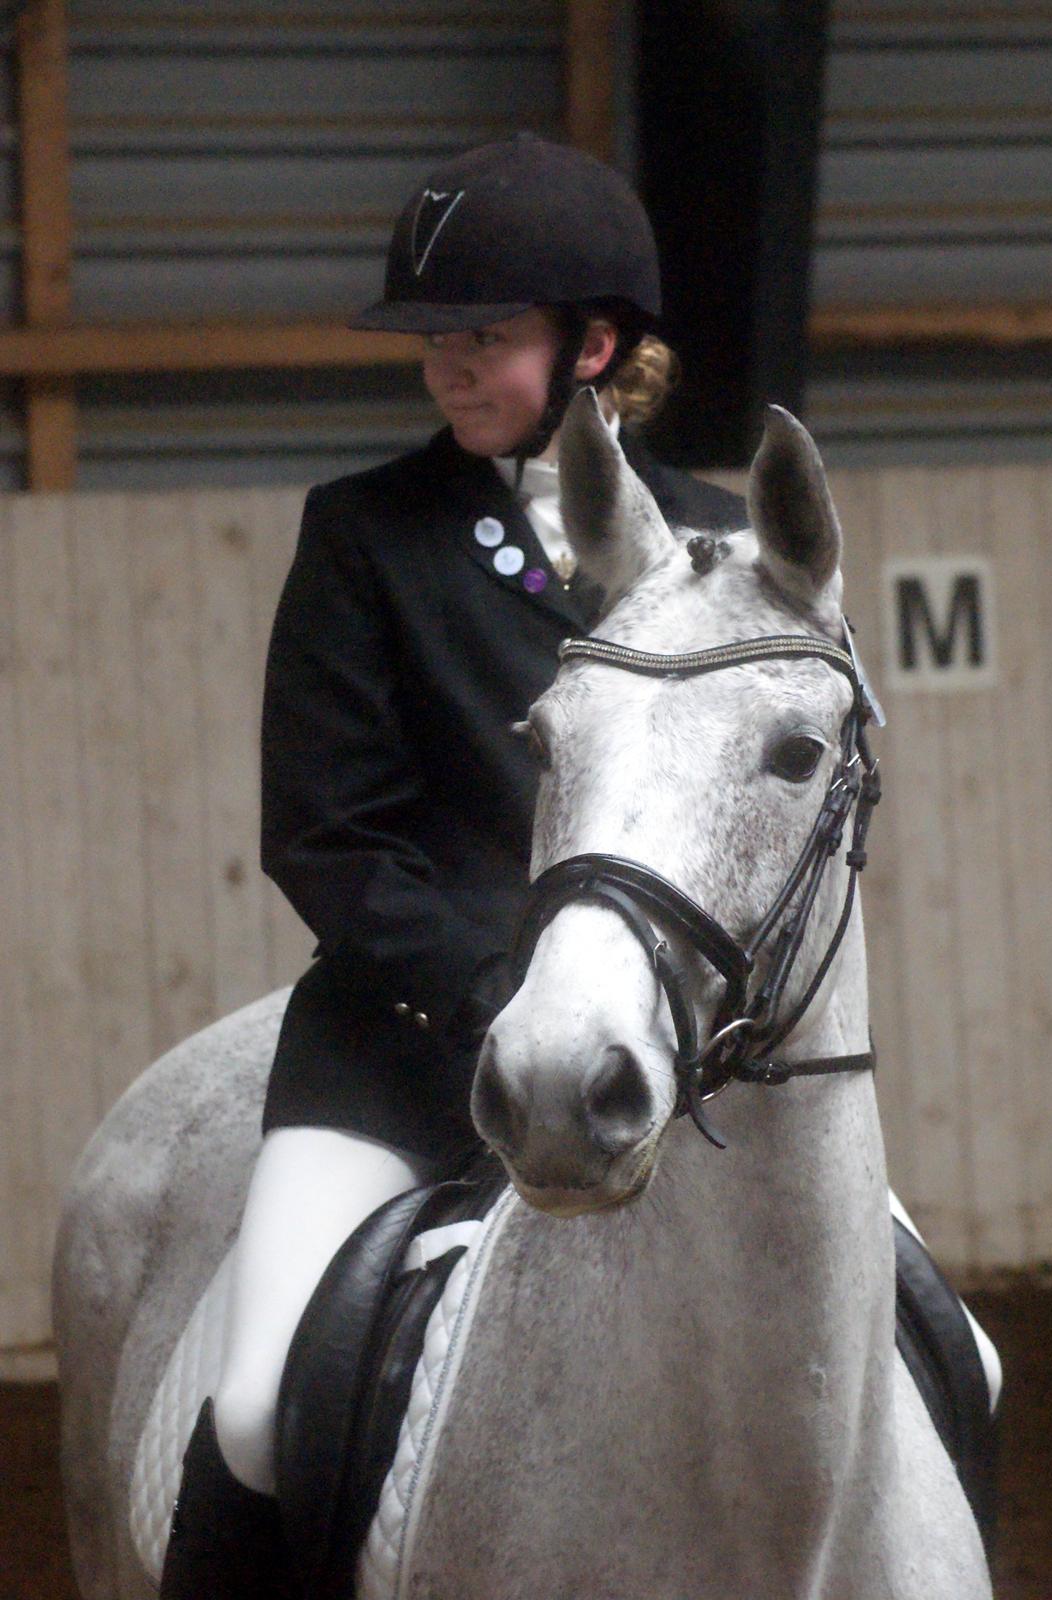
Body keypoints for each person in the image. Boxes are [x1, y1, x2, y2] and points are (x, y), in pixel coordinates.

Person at [159, 133, 748, 1598]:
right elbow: (325, 836)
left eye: (482, 337)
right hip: (405, 1056)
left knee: (948, 1348)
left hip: (684, 1068)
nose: (445, 369)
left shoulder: (722, 548)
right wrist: (497, 995)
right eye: (433, 340)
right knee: (251, 1416)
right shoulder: (367, 535)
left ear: (595, 343)